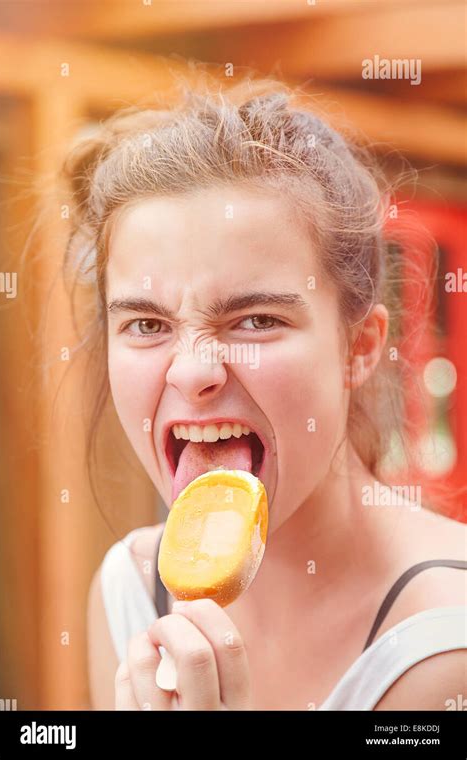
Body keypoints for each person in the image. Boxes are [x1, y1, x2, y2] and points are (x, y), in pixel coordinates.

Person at [61, 77, 466, 710]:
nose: (193, 372)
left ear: (359, 347)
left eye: (256, 321)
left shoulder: (450, 646)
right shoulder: (128, 591)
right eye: (146, 325)